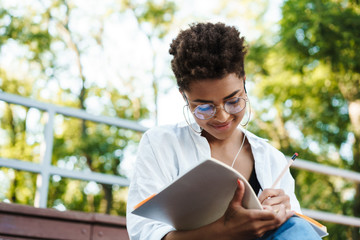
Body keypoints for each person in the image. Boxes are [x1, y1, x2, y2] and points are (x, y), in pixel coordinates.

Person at [126, 22, 321, 240]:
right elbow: (144, 233)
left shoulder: (272, 159)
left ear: (244, 82)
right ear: (184, 96)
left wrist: (284, 213)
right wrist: (222, 233)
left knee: (296, 227)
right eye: (204, 107)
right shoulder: (160, 144)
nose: (222, 117)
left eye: (233, 101)